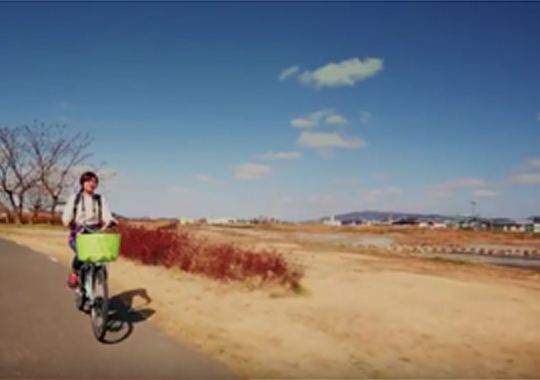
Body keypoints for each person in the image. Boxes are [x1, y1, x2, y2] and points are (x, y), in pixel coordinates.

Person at [61, 171, 117, 289]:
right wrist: (67, 221)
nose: (91, 184)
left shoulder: (100, 199)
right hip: (78, 233)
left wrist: (110, 221)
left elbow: (106, 214)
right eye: (88, 181)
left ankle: (97, 276)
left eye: (94, 181)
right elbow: (67, 214)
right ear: (82, 183)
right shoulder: (75, 198)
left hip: (95, 233)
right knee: (82, 254)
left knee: (101, 256)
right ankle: (74, 273)